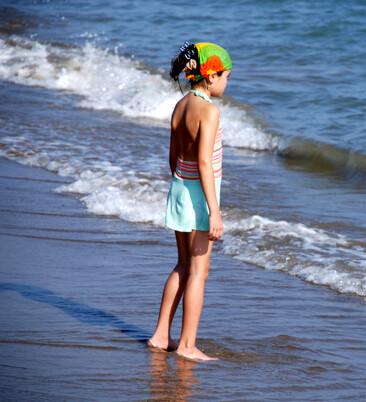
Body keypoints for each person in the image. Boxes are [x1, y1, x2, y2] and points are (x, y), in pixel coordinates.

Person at [148, 42, 232, 361]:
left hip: (179, 190)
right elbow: (204, 162)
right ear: (210, 76)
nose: (226, 83)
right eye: (225, 76)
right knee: (199, 270)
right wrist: (214, 212)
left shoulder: (181, 105)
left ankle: (160, 336)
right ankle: (186, 345)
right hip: (199, 197)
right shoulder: (209, 111)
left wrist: (183, 188)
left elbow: (174, 158)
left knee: (183, 265)